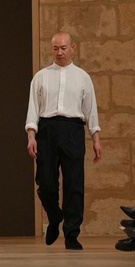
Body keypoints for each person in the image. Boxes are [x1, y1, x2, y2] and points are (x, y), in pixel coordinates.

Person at [25, 32, 102, 250]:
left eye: (64, 48)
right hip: (47, 129)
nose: (59, 52)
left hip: (73, 130)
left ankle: (71, 234)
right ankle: (54, 215)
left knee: (74, 184)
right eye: (55, 48)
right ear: (51, 49)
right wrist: (31, 135)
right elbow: (33, 109)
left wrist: (96, 139)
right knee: (45, 182)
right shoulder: (40, 76)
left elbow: (91, 111)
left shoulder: (83, 77)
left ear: (73, 48)